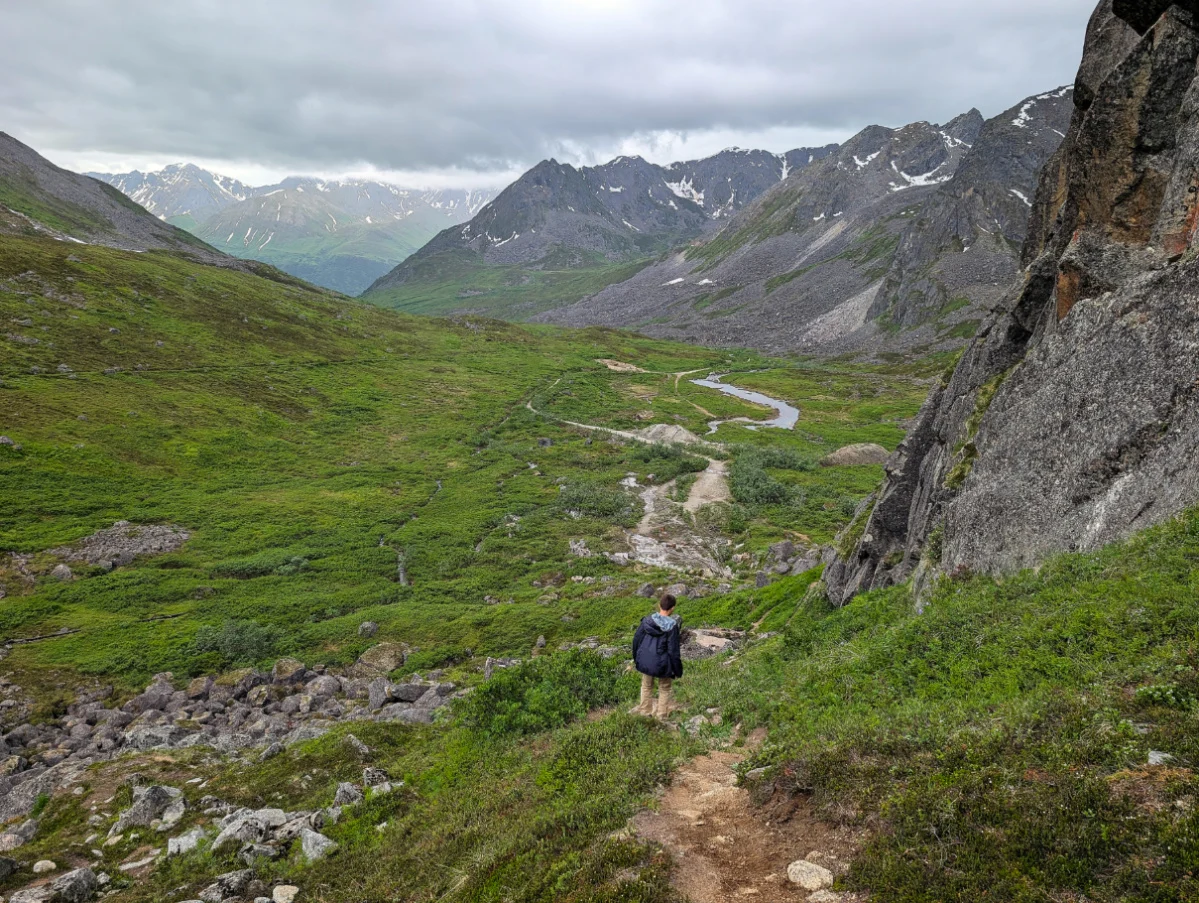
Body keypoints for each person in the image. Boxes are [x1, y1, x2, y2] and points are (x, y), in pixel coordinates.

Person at [630, 593, 683, 719]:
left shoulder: (647, 621)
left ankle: (644, 712)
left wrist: (637, 659)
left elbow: (636, 640)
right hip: (663, 664)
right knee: (664, 688)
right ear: (672, 608)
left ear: (659, 605)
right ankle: (661, 715)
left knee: (646, 686)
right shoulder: (672, 626)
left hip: (646, 661)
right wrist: (677, 669)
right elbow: (673, 651)